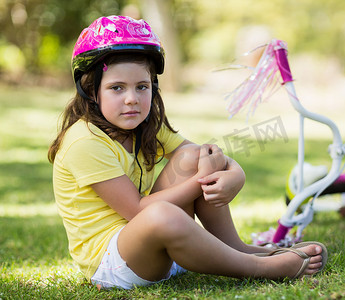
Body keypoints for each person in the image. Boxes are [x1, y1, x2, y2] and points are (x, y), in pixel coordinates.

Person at [48, 15, 328, 290]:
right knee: (160, 214)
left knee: (195, 158)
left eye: (141, 87)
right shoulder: (83, 141)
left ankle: (239, 249)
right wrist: (198, 183)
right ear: (92, 91)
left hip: (149, 239)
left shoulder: (143, 125)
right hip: (113, 263)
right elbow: (137, 211)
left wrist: (235, 175)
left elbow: (203, 154)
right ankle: (259, 268)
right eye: (117, 88)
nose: (132, 98)